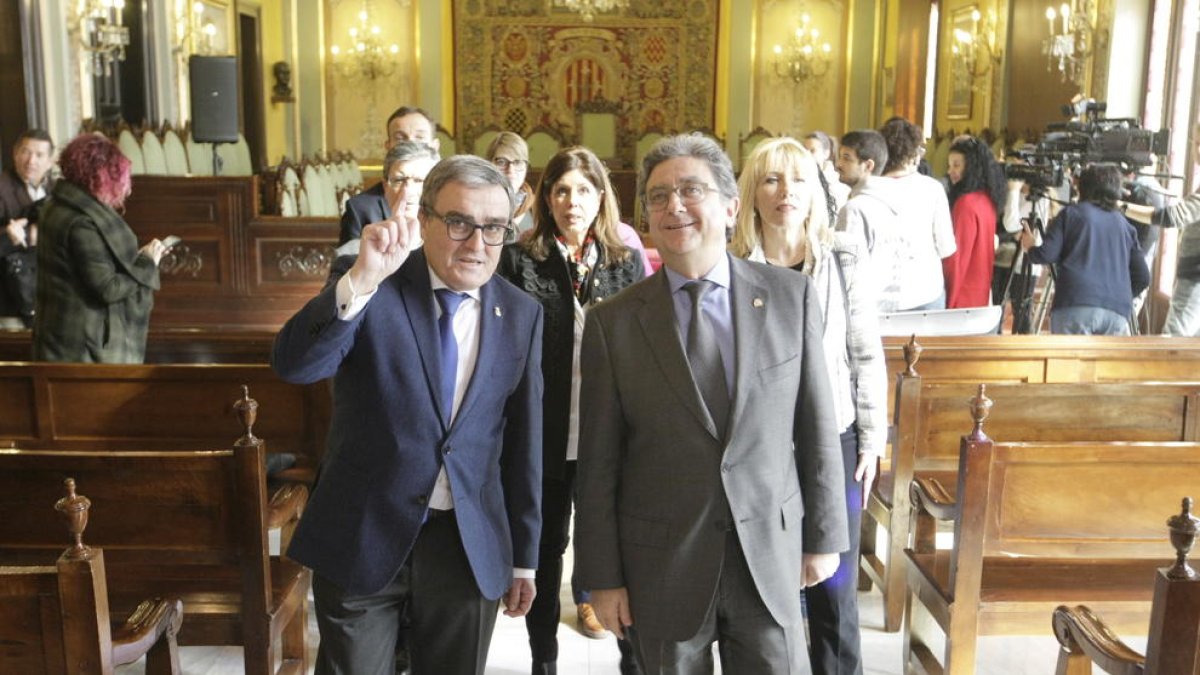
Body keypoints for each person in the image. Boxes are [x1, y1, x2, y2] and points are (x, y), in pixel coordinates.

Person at [574, 133, 849, 674]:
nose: (673, 206)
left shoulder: (789, 299)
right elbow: (599, 463)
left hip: (768, 556)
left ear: (730, 206)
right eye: (658, 196)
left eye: (690, 190)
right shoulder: (613, 322)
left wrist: (825, 537)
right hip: (662, 564)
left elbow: (816, 428)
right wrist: (601, 577)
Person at [272, 155, 544, 675]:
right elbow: (294, 365)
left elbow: (523, 443)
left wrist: (523, 556)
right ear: (424, 221)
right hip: (363, 534)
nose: (477, 243)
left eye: (494, 228)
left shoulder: (521, 314)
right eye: (460, 223)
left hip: (465, 546)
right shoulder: (376, 287)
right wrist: (360, 279)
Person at [730, 137, 886, 675]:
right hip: (762, 443)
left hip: (832, 438)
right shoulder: (734, 266)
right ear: (753, 193)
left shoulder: (842, 254)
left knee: (834, 590)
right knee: (767, 585)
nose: (785, 192)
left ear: (816, 190)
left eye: (797, 179)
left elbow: (864, 352)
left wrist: (872, 439)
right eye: (771, 180)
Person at [497, 146, 646, 675]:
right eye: (560, 190)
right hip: (545, 431)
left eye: (583, 189)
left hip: (610, 432)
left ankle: (633, 657)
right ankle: (544, 661)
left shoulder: (625, 262)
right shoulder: (519, 260)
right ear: (546, 198)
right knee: (544, 546)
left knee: (614, 547)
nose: (571, 200)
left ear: (601, 196)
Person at [32, 134, 170, 363]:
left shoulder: (55, 206)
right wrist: (146, 263)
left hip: (58, 339)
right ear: (102, 177)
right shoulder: (82, 223)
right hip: (81, 349)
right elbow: (108, 288)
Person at [1020, 163, 1149, 335]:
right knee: (1107, 363)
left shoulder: (1071, 214)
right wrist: (1119, 295)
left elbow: (1046, 254)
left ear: (1083, 187)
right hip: (1117, 311)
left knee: (1070, 362)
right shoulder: (1125, 225)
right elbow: (1143, 276)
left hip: (1075, 303)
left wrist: (1030, 247)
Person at [1124, 125, 1200, 335]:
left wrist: (1121, 207)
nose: (1199, 150)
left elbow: (1170, 217)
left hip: (1195, 281)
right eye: (1197, 143)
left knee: (1172, 343)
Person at [879, 117, 956, 310]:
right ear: (914, 153)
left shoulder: (869, 188)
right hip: (925, 291)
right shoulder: (932, 189)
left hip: (880, 294)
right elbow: (946, 247)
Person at [833, 129, 905, 312]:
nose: (838, 164)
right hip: (891, 307)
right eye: (840, 157)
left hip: (860, 310)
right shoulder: (894, 200)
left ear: (868, 165)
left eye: (847, 158)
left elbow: (846, 270)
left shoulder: (855, 209)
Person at [0, 129, 55, 328]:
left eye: (39, 155)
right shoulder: (2, 187)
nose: (31, 160)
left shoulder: (54, 190)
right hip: (10, 302)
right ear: (15, 154)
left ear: (50, 161)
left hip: (47, 295)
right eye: (25, 152)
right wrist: (9, 235)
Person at [942, 136, 1005, 308]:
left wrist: (948, 302)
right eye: (949, 165)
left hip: (961, 298)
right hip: (979, 293)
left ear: (971, 167)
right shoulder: (987, 199)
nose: (950, 171)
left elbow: (957, 259)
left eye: (956, 165)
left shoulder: (966, 203)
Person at [339, 141, 439, 246]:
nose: (407, 191)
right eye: (399, 180)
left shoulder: (449, 230)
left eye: (419, 181)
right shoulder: (361, 215)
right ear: (385, 186)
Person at [486, 132, 536, 235]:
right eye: (501, 162)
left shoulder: (538, 208)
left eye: (518, 162)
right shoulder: (476, 204)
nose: (510, 170)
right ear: (489, 165)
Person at [804, 131, 850, 214]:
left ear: (826, 153)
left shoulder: (836, 182)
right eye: (804, 150)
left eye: (812, 150)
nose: (807, 154)